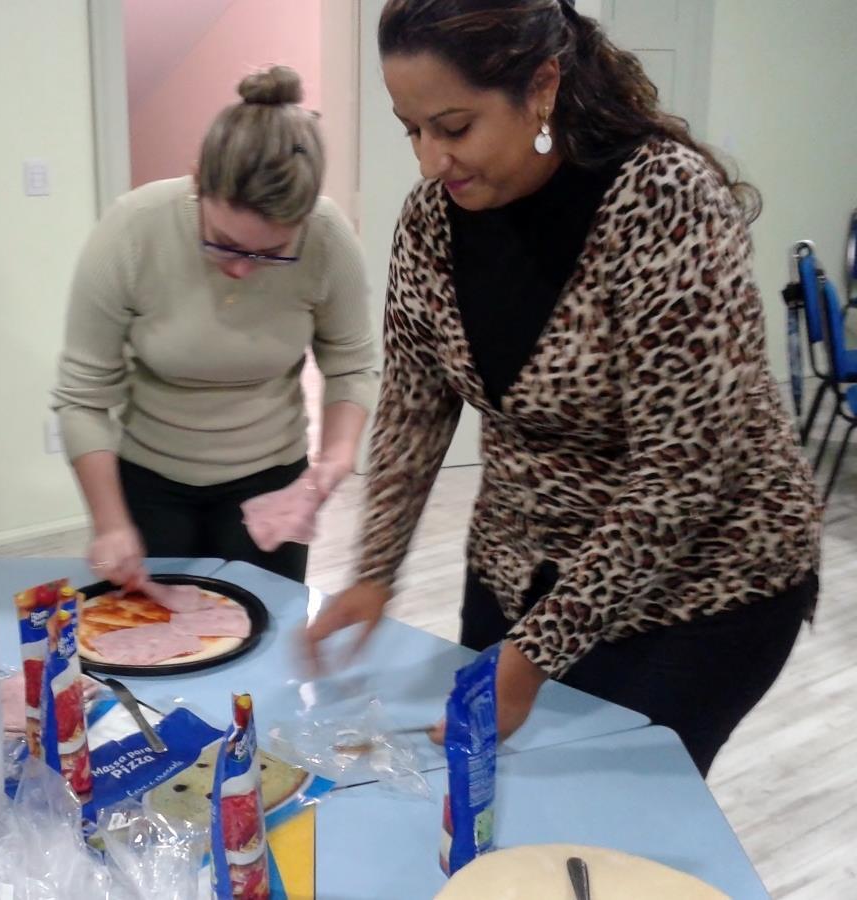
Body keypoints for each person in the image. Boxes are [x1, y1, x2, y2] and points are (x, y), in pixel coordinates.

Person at [302, 0, 822, 775]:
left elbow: (681, 472)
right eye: (411, 129)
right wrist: (374, 571)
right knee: (485, 794)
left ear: (541, 86)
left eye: (454, 126)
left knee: (612, 827)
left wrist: (532, 658)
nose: (429, 161)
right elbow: (414, 413)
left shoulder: (665, 202)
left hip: (700, 585)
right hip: (520, 562)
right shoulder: (430, 223)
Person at [53, 65, 379, 586]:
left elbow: (353, 364)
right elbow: (82, 396)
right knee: (150, 643)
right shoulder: (133, 230)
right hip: (149, 480)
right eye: (223, 241)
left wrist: (335, 459)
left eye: (272, 253)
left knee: (265, 641)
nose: (242, 268)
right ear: (198, 179)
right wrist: (111, 524)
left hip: (274, 481)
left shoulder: (327, 237)